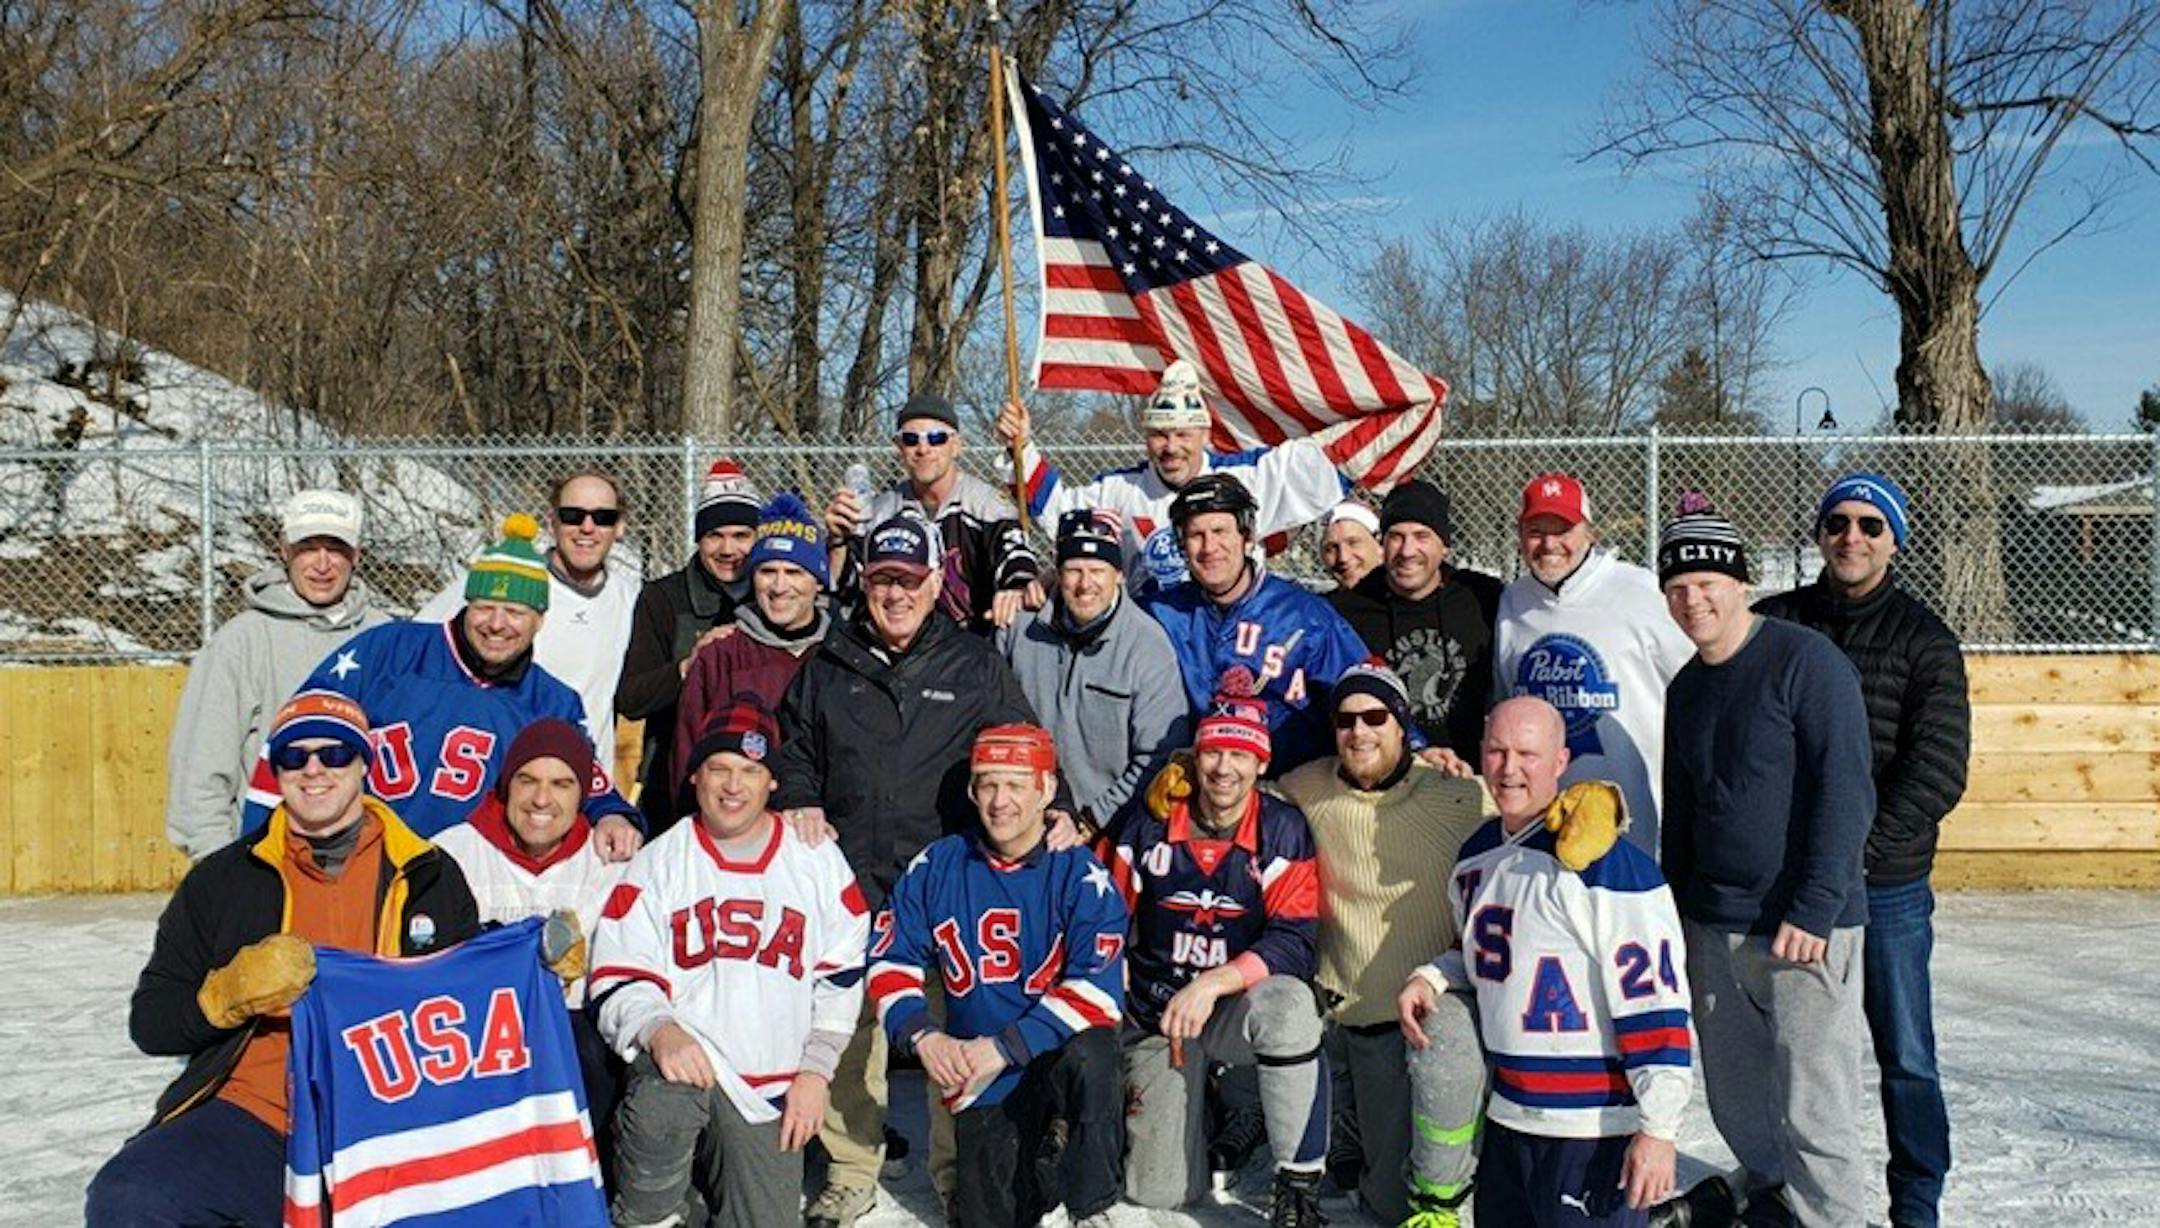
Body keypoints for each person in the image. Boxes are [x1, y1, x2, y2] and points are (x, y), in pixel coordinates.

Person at [88, 692, 481, 1227]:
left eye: (335, 753)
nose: (314, 769)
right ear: (276, 771)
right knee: (132, 1195)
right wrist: (227, 995)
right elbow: (151, 1022)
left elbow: (474, 1003)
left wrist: (537, 960)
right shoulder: (223, 880)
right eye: (294, 757)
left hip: (394, 1121)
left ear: (365, 764)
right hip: (259, 1116)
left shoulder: (430, 874)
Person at [770, 508, 1059, 1228]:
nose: (895, 594)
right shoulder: (828, 663)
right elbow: (793, 748)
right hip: (850, 875)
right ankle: (850, 1167)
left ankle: (961, 1175)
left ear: (936, 582)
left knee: (950, 1025)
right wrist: (802, 798)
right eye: (881, 580)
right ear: (864, 584)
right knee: (850, 1028)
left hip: (944, 881)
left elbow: (1021, 742)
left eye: (909, 580)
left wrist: (1058, 811)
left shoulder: (973, 663)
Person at [1755, 474, 1968, 1228]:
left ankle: (1916, 1204)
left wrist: (1849, 858)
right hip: (1786, 886)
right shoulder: (1774, 624)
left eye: (1871, 526)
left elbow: (1937, 771)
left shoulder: (1924, 640)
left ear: (1895, 541)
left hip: (1886, 889)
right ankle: (1788, 1191)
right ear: (1818, 534)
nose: (1852, 537)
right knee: (1797, 1058)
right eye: (1838, 522)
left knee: (1905, 1055)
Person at [1659, 497, 1874, 1228]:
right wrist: (1678, 913)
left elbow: (1848, 790)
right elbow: (1681, 808)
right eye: (1678, 587)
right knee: (1738, 1099)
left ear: (1741, 583)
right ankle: (1778, 1204)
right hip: (1716, 925)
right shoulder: (1686, 687)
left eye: (1708, 582)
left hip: (1802, 928)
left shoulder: (1805, 662)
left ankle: (1834, 1218)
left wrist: (1815, 906)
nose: (1693, 599)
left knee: (1816, 1109)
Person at [1399, 698, 1693, 1228]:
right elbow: (1490, 956)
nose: (1509, 769)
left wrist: (1659, 1129)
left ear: (1561, 761)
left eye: (1528, 754)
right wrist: (1434, 974)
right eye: (1497, 751)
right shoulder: (1475, 856)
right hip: (1509, 1122)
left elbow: (1656, 1005)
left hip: (1592, 1129)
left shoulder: (1606, 863)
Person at [589, 695, 869, 1228]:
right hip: (687, 1065)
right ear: (695, 776)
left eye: (750, 771)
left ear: (772, 783)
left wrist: (815, 1072)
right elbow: (616, 972)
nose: (733, 785)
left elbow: (842, 976)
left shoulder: (814, 859)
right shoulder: (661, 861)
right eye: (719, 768)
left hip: (771, 1087)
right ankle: (651, 1218)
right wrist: (657, 1027)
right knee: (662, 1104)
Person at [244, 514, 642, 847]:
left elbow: (585, 783)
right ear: (465, 606)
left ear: (540, 620)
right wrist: (256, 847)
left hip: (476, 882)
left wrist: (613, 816)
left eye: (515, 611)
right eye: (485, 607)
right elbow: (291, 739)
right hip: (360, 865)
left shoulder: (552, 702)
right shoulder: (388, 651)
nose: (497, 624)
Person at [866, 724, 1128, 1228]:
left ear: (1046, 790)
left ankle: (1092, 1201)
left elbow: (1097, 993)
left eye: (1015, 784)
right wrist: (923, 1036)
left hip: (1050, 1056)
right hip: (981, 1072)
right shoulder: (938, 864)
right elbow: (888, 959)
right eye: (987, 784)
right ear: (971, 791)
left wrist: (1004, 1046)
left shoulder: (1079, 873)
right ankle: (1042, 1159)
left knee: (1094, 1056)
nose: (1000, 800)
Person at [1101, 684, 1332, 1227]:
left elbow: (1296, 940)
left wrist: (1212, 984)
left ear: (1260, 762)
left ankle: (1298, 1183)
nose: (1224, 767)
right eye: (1213, 751)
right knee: (1159, 1192)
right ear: (1193, 755)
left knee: (1291, 1005)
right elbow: (1104, 924)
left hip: (1229, 1009)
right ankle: (1206, 1103)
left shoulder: (1282, 829)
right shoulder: (1148, 824)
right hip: (1159, 1014)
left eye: (1239, 754)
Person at [1276, 665, 1499, 1225]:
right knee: (1383, 1199)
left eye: (1376, 717)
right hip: (1344, 1011)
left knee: (1397, 1202)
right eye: (1346, 720)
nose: (1360, 732)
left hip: (1422, 1014)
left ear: (1402, 726)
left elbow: (1535, 822)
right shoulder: (1307, 787)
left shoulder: (1457, 796)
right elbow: (1233, 794)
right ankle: (1347, 1123)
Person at [431, 717, 628, 1157]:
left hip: (573, 1039)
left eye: (561, 784)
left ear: (582, 795)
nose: (541, 798)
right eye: (527, 781)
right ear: (506, 786)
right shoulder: (452, 852)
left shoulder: (609, 863)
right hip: (476, 1031)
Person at [166, 489, 388, 859]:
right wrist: (217, 865)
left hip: (368, 856)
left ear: (356, 555)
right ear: (284, 550)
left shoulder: (385, 638)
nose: (322, 564)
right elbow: (200, 768)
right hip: (269, 855)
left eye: (335, 548)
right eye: (307, 547)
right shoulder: (241, 641)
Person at [998, 358, 1349, 591]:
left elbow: (1337, 461)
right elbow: (1057, 510)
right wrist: (1023, 447)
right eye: (1159, 435)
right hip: (1151, 642)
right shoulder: (1122, 489)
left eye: (1183, 434)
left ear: (1204, 435)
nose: (1170, 447)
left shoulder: (1249, 478)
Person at [1491, 473, 1695, 856]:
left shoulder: (1640, 591)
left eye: (1563, 529)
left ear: (1590, 532)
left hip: (1633, 822)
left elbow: (1696, 684)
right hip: (1538, 825)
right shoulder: (1513, 602)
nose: (1549, 544)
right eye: (1536, 530)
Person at [1141, 472, 1376, 775]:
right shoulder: (1162, 613)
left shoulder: (1304, 615)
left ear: (1247, 537)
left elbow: (1366, 687)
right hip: (1202, 782)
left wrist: (1416, 746)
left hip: (1290, 785)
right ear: (1182, 545)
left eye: (1220, 531)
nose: (1209, 547)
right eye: (1196, 535)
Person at [418, 468, 642, 765]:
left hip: (579, 778)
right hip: (498, 768)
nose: (587, 528)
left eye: (603, 518)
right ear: (552, 521)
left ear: (620, 526)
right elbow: (418, 646)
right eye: (572, 515)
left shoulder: (632, 599)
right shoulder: (507, 578)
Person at [996, 507, 1187, 832]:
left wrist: (1090, 821)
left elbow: (1158, 756)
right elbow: (990, 721)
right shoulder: (1018, 627)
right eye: (1074, 570)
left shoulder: (1147, 646)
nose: (1086, 584)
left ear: (1119, 574)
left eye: (1098, 570)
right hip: (1019, 819)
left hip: (1108, 827)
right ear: (1056, 573)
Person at [618, 458, 763, 832]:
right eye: (715, 536)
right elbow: (631, 700)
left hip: (752, 782)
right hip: (673, 781)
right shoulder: (663, 599)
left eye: (741, 535)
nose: (728, 548)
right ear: (699, 539)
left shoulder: (773, 595)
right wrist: (688, 666)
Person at [671, 492, 834, 817]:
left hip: (820, 832)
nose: (779, 586)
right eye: (767, 571)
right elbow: (686, 759)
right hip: (735, 830)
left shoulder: (843, 653)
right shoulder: (720, 656)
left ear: (817, 582)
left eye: (794, 572)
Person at [825, 390, 1041, 633]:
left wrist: (1015, 587)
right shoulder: (880, 513)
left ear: (957, 445)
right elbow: (847, 591)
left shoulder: (987, 506)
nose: (923, 449)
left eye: (936, 438)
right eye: (910, 439)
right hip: (901, 650)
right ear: (899, 447)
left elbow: (1017, 559)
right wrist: (837, 541)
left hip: (974, 646)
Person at [1330, 478, 1503, 764]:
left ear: (1444, 545)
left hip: (1472, 773)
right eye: (1397, 536)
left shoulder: (1483, 597)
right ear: (1382, 543)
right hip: (1387, 774)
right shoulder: (1349, 611)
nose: (1407, 551)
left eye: (1422, 536)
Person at [1318, 499, 1384, 591]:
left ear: (1380, 545)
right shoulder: (1319, 604)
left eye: (1353, 543)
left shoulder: (1405, 599)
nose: (1343, 558)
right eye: (1332, 548)